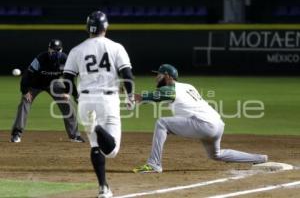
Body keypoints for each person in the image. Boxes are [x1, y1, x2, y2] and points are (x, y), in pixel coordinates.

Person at [133, 64, 268, 173]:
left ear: (167, 76)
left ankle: (154, 164)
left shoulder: (171, 89)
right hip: (217, 124)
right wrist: (141, 99)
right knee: (216, 155)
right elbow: (161, 96)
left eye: (159, 74)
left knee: (162, 123)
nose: (156, 78)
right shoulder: (188, 86)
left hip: (203, 124)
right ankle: (259, 158)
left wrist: (140, 97)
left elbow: (160, 94)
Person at [63, 11, 134, 198]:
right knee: (112, 151)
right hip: (108, 99)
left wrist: (78, 98)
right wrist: (130, 96)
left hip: (86, 101)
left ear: (88, 28)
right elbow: (127, 75)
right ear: (105, 27)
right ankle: (98, 127)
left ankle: (103, 188)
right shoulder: (116, 47)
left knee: (95, 146)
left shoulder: (76, 50)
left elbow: (67, 80)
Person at [11, 39, 84, 143]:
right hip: (35, 84)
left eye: (57, 50)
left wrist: (70, 93)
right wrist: (25, 91)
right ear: (49, 49)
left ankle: (74, 135)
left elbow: (69, 78)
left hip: (53, 83)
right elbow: (28, 74)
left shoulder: (65, 59)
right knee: (25, 102)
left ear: (61, 50)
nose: (54, 52)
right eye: (52, 49)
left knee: (67, 103)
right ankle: (16, 134)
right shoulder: (41, 58)